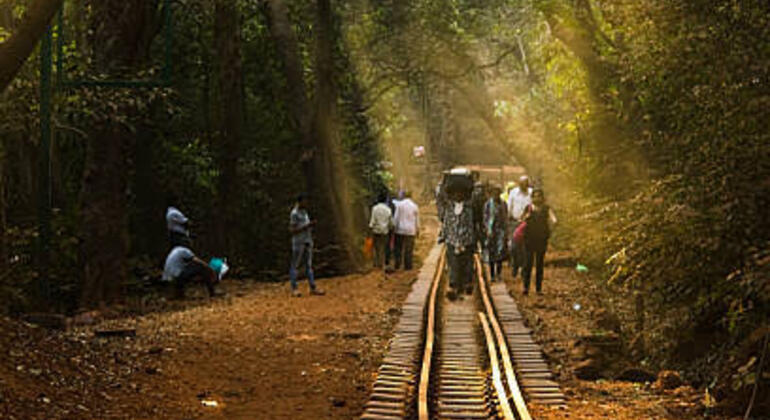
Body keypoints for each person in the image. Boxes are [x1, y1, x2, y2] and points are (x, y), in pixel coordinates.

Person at [442, 188, 476, 299]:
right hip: (452, 239)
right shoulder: (449, 208)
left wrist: (466, 239)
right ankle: (453, 285)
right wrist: (444, 235)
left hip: (466, 239)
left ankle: (466, 283)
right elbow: (446, 223)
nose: (458, 195)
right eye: (456, 193)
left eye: (460, 193)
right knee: (453, 263)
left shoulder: (468, 208)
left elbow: (470, 224)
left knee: (466, 263)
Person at [521, 189, 557, 295]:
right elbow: (521, 220)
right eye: (535, 196)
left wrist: (548, 230)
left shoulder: (546, 209)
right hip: (529, 239)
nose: (537, 198)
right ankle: (526, 287)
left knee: (539, 264)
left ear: (542, 198)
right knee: (528, 264)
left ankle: (538, 288)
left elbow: (554, 220)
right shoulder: (528, 208)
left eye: (539, 196)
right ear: (532, 198)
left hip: (541, 240)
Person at [289, 194, 325, 297]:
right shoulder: (294, 214)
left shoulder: (304, 212)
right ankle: (294, 288)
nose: (306, 203)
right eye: (305, 201)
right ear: (299, 201)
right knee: (295, 265)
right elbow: (292, 230)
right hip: (298, 242)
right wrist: (306, 226)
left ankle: (312, 287)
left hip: (307, 241)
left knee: (309, 265)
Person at [507, 175, 533, 278]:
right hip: (514, 222)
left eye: (525, 183)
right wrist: (508, 218)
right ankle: (515, 265)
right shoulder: (513, 192)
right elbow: (509, 206)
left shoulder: (531, 193)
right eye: (522, 183)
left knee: (525, 247)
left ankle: (523, 268)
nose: (524, 186)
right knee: (513, 247)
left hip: (527, 223)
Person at [484, 184, 508, 282]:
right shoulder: (488, 204)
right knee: (491, 253)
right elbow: (485, 217)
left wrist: (505, 232)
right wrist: (486, 229)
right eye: (494, 193)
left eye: (497, 192)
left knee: (500, 252)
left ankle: (498, 273)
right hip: (491, 231)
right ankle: (492, 274)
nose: (496, 194)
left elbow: (505, 217)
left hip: (500, 231)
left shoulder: (503, 204)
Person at [393, 191, 420, 270]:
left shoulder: (400, 205)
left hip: (400, 230)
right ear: (411, 196)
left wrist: (394, 227)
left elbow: (396, 217)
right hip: (410, 230)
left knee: (398, 248)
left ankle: (397, 264)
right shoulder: (414, 206)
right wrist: (418, 229)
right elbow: (417, 220)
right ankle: (408, 266)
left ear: (404, 196)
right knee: (409, 249)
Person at [369, 192, 393, 269]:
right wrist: (391, 228)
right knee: (384, 247)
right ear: (385, 200)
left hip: (376, 231)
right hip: (385, 231)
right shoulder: (388, 210)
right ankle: (382, 263)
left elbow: (372, 221)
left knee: (376, 247)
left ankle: (377, 263)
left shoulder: (374, 208)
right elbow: (391, 223)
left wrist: (370, 228)